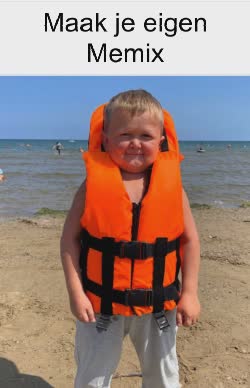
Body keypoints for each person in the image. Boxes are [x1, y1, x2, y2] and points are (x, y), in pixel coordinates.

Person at [60, 90, 200, 388]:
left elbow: (189, 240)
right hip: (100, 307)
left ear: (161, 140)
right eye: (124, 134)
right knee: (92, 378)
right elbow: (69, 240)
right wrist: (76, 292)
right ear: (106, 139)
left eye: (146, 136)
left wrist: (189, 292)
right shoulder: (91, 186)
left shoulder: (173, 187)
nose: (135, 143)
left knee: (164, 376)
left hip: (159, 310)